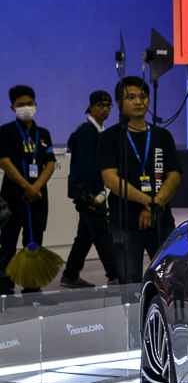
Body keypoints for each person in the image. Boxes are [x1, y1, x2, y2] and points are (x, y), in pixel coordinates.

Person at [97, 76, 181, 284]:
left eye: (143, 97)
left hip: (161, 220)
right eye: (131, 97)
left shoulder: (162, 136)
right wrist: (149, 202)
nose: (138, 102)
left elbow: (174, 176)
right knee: (129, 282)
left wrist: (155, 206)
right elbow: (110, 180)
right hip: (125, 221)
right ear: (119, 103)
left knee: (170, 279)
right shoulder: (109, 137)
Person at [0, 85, 56, 295]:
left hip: (37, 196)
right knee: (7, 243)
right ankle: (4, 289)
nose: (26, 108)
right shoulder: (6, 131)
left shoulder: (43, 134)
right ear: (13, 108)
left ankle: (32, 289)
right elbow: (4, 161)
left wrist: (36, 187)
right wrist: (26, 186)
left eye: (29, 104)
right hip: (13, 196)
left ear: (36, 104)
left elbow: (50, 163)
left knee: (34, 243)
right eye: (21, 105)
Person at [62, 90, 120, 288]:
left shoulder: (97, 130)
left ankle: (70, 274)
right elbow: (86, 166)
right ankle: (115, 276)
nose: (105, 109)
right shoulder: (89, 131)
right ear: (91, 107)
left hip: (91, 191)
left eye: (108, 106)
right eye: (100, 105)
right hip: (89, 193)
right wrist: (90, 193)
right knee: (102, 234)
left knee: (85, 236)